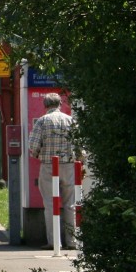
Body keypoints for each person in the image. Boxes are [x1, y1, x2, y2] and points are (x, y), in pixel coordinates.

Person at [27, 92, 84, 249]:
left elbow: (32, 145)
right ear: (60, 104)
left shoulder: (42, 121)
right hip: (70, 165)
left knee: (50, 205)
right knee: (70, 205)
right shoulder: (70, 120)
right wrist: (79, 160)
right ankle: (72, 241)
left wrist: (39, 155)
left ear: (45, 105)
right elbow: (80, 145)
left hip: (48, 165)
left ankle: (54, 242)